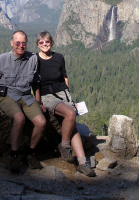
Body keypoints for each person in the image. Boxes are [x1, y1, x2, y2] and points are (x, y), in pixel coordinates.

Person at [35, 31, 96, 177]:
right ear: (37, 44)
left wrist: (69, 98)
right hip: (47, 96)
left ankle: (82, 163)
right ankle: (64, 145)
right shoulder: (34, 60)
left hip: (63, 94)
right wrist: (38, 102)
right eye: (41, 42)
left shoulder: (58, 57)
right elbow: (34, 83)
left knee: (72, 123)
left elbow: (64, 78)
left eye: (47, 41)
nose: (45, 44)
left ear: (52, 42)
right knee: (70, 113)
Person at [0, 30, 46, 173]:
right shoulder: (1, 59)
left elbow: (36, 83)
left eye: (23, 43)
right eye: (17, 43)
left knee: (41, 122)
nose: (20, 46)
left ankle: (30, 154)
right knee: (19, 118)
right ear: (12, 43)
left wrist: (38, 102)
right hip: (7, 96)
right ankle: (14, 156)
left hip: (26, 96)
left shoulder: (33, 58)